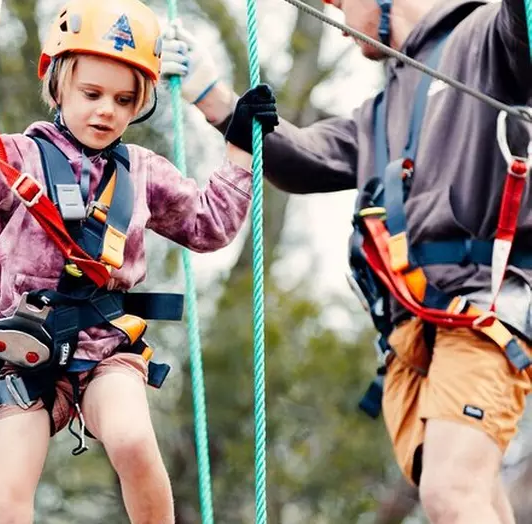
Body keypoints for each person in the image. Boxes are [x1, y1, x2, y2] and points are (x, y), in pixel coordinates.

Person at [162, 1, 531, 523]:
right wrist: (213, 96)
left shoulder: (487, 36)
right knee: (474, 492)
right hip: (412, 332)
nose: (334, 22)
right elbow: (305, 157)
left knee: (452, 493)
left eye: (337, 3)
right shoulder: (381, 112)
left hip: (482, 307)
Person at [0, 0, 279, 522]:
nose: (106, 110)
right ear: (58, 87)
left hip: (105, 345)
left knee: (133, 440)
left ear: (140, 104)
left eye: (123, 99)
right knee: (6, 497)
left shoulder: (142, 172)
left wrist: (240, 147)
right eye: (92, 94)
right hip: (22, 350)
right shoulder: (17, 157)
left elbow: (209, 226)